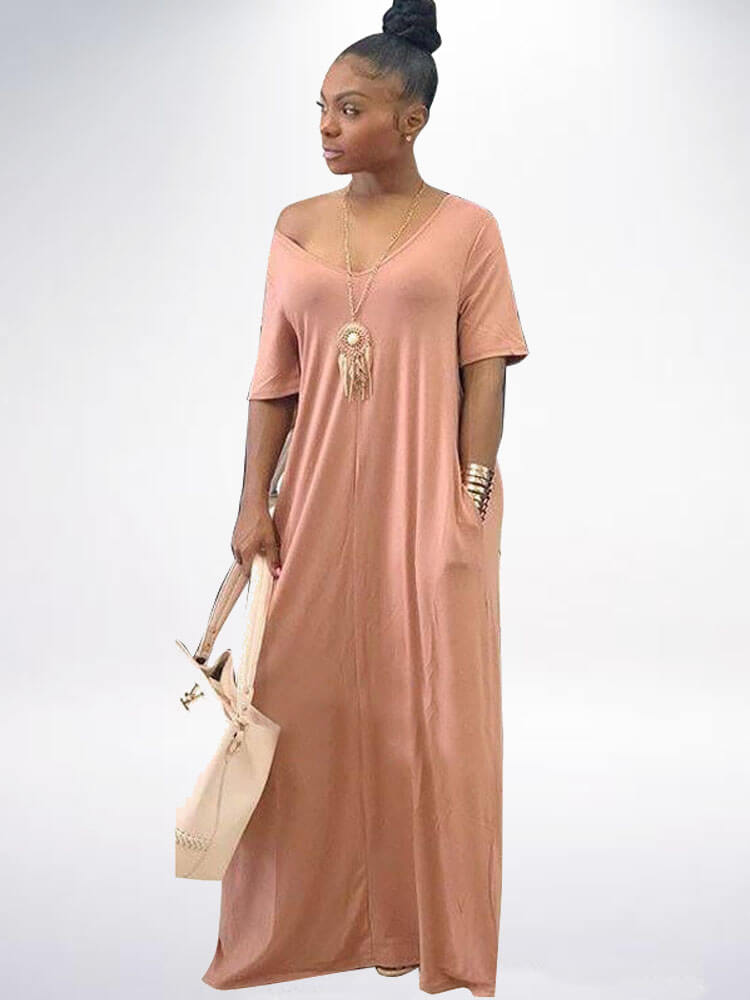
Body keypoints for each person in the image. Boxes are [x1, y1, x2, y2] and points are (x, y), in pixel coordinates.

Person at [204, 2, 529, 996]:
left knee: (430, 715)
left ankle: (425, 934)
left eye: (349, 109)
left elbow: (487, 369)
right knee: (290, 705)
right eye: (320, 109)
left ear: (410, 120)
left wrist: (468, 502)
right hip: (310, 507)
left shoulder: (470, 230)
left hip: (430, 500)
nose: (327, 127)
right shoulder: (296, 227)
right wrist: (252, 503)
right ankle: (302, 930)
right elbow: (273, 380)